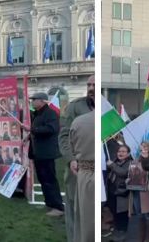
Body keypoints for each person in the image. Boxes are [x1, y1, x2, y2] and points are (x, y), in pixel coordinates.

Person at [59, 75, 95, 241]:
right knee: (75, 210)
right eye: (88, 84)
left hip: (98, 170)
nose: (90, 88)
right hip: (78, 169)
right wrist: (70, 159)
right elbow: (65, 136)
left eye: (94, 84)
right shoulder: (74, 107)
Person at [29, 91, 64, 216]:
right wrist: (29, 135)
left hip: (47, 153)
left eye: (34, 99)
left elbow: (51, 129)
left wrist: (33, 130)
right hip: (38, 152)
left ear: (42, 101)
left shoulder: (50, 114)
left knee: (50, 180)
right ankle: (48, 203)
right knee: (43, 179)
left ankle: (58, 207)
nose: (32, 102)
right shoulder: (37, 114)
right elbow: (36, 130)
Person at [68, 106, 94, 242]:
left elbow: (71, 144)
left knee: (85, 219)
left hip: (86, 174)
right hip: (89, 172)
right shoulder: (80, 122)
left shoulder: (78, 122)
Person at [108, 144, 131, 242]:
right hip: (112, 191)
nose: (120, 153)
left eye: (123, 151)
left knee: (122, 214)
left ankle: (122, 235)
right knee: (115, 213)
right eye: (119, 151)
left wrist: (112, 165)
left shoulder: (129, 163)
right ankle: (116, 234)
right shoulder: (114, 161)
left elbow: (123, 172)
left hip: (122, 192)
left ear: (128, 153)